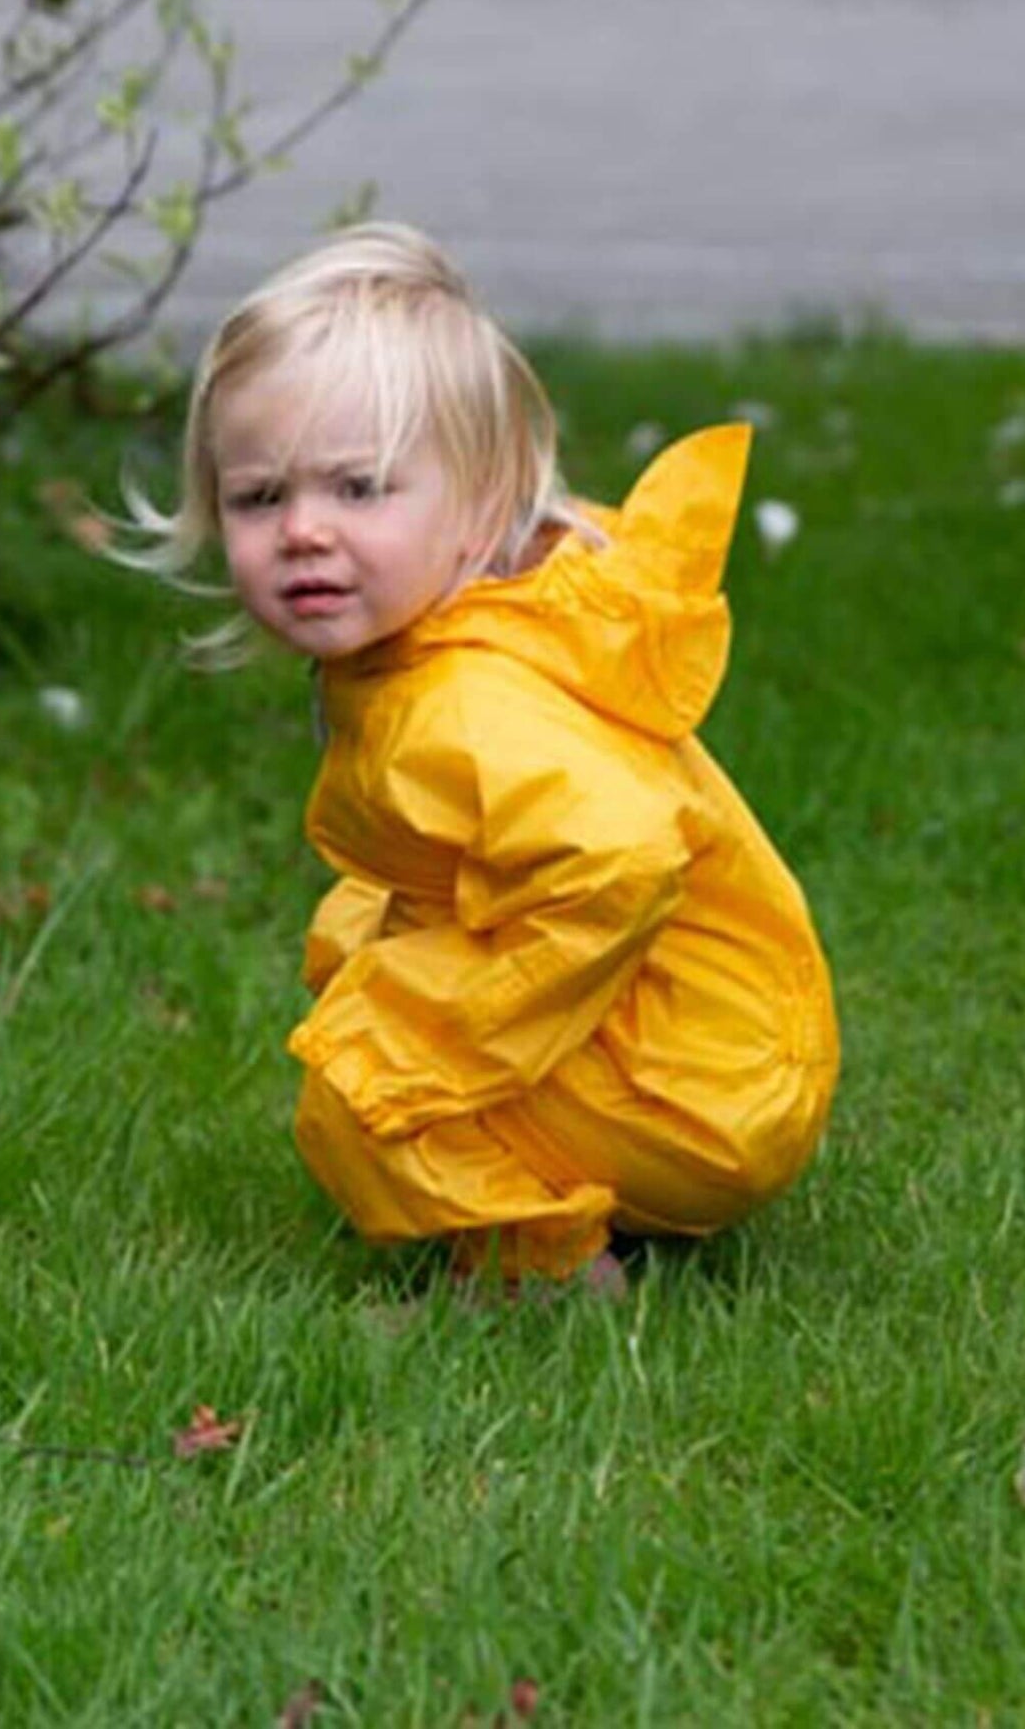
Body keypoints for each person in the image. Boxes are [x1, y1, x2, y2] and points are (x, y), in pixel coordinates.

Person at [125, 223, 840, 1287]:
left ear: (478, 503)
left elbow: (623, 857)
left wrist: (441, 1024)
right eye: (259, 496)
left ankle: (540, 1272)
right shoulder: (459, 630)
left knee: (360, 1085)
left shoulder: (462, 701)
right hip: (726, 1047)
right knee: (363, 943)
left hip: (697, 1087)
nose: (303, 531)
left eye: (358, 487)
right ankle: (573, 1172)